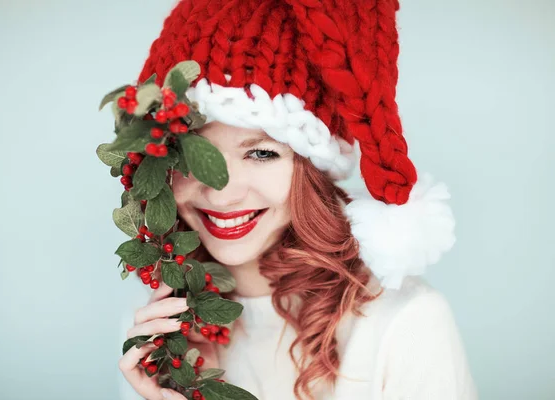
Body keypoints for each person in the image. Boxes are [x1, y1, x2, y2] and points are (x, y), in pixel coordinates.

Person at [117, 0, 477, 399]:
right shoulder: (161, 329)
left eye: (261, 153)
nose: (222, 191)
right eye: (191, 153)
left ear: (311, 168)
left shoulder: (405, 322)